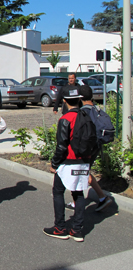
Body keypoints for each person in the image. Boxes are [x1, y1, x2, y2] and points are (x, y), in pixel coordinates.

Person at [43, 85, 89, 242]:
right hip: (84, 161)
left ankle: (60, 227)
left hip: (68, 161)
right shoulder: (86, 116)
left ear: (64, 101)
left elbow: (62, 145)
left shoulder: (65, 119)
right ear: (79, 100)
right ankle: (77, 230)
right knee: (79, 193)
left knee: (58, 192)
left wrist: (54, 163)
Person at [64, 85, 112, 212]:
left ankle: (102, 197)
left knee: (80, 170)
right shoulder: (96, 109)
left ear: (80, 98)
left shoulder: (83, 112)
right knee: (84, 170)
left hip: (87, 146)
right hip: (97, 144)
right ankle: (98, 198)